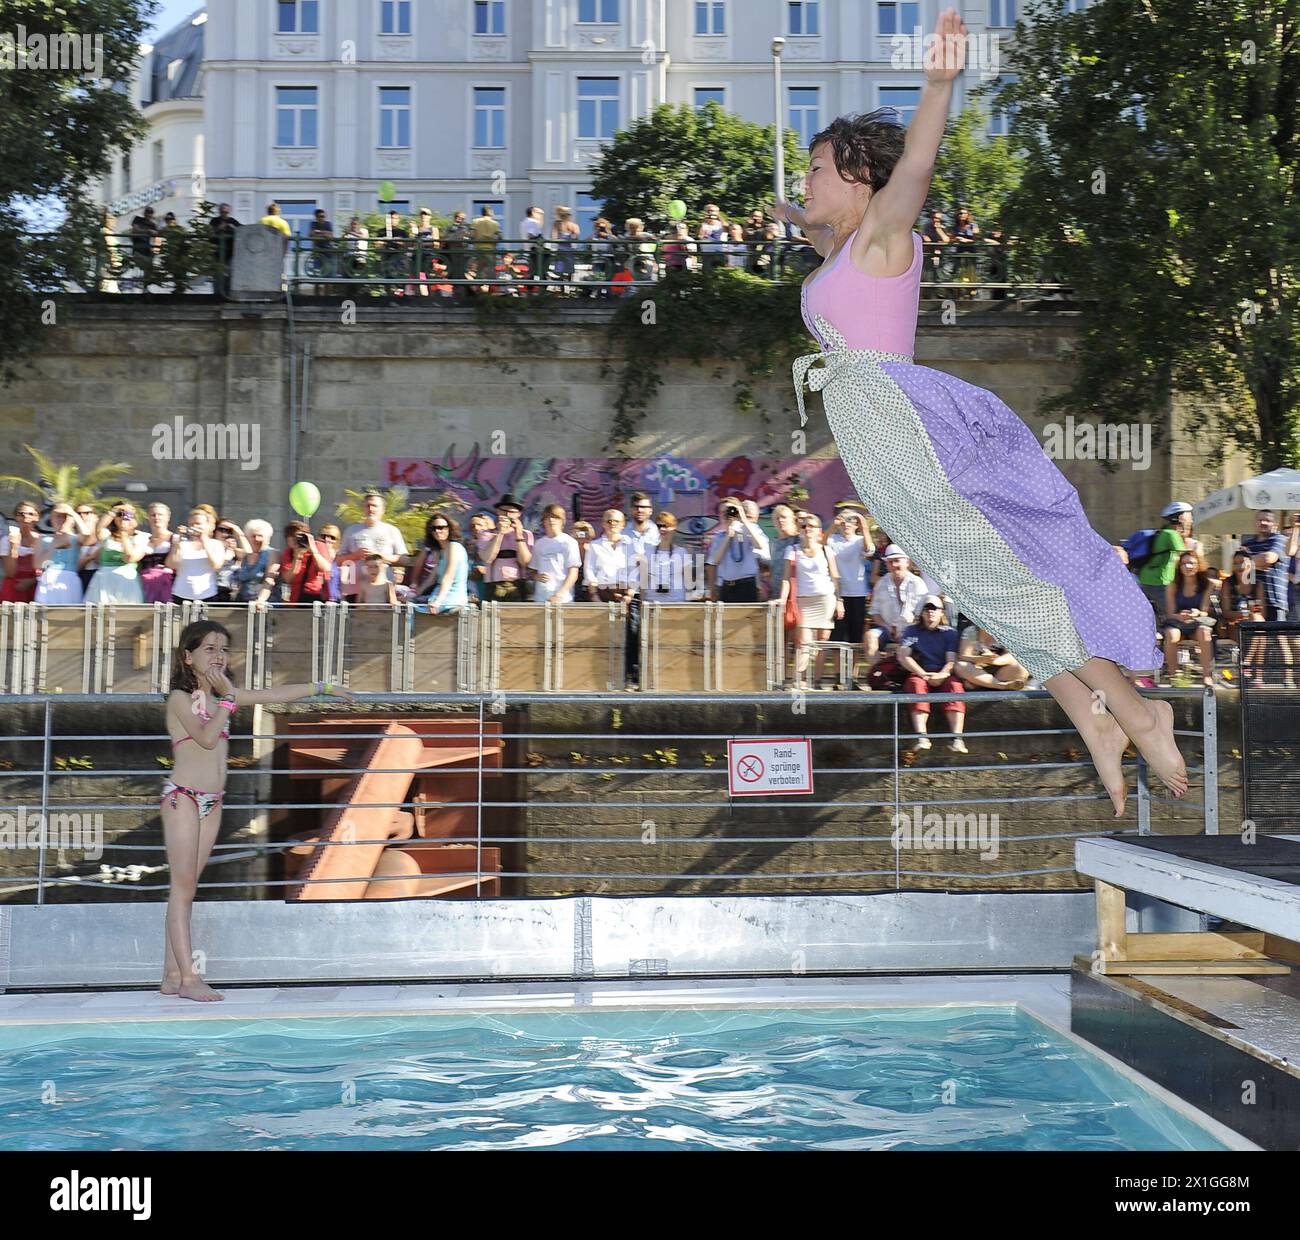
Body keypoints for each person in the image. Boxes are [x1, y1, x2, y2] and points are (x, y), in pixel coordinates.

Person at [780, 8, 1186, 814]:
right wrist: (798, 219)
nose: (807, 179)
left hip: (906, 428)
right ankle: (1090, 714)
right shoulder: (841, 250)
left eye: (818, 168)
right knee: (984, 586)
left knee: (1007, 575)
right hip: (877, 445)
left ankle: (1139, 711)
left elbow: (916, 173)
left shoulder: (883, 236)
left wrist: (939, 84)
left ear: (860, 179)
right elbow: (826, 252)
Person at [159, 620, 351, 1000]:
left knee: (188, 887)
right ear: (188, 656)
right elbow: (207, 738)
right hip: (184, 797)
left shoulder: (220, 698)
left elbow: (275, 692)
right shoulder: (181, 700)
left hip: (213, 802)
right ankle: (188, 980)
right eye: (209, 648)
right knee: (182, 889)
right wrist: (229, 699)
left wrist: (323, 687)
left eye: (223, 649)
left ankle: (170, 974)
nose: (218, 655)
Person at [779, 511, 842, 690]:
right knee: (803, 641)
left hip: (825, 598)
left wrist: (839, 600)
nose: (808, 529)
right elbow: (786, 578)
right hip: (804, 600)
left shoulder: (826, 549)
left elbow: (835, 577)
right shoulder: (792, 550)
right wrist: (783, 599)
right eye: (804, 526)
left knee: (822, 641)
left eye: (811, 526)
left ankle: (817, 680)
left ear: (818, 530)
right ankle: (800, 679)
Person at [898, 596, 967, 752]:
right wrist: (922, 674)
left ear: (942, 612)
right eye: (927, 608)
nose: (931, 612)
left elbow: (951, 660)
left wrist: (942, 674)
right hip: (920, 672)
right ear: (921, 612)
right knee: (915, 685)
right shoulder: (911, 631)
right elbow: (904, 655)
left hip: (943, 673)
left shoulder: (950, 633)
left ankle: (957, 739)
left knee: (955, 687)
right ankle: (922, 737)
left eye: (935, 608)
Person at [338, 493, 408, 601]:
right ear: (363, 508)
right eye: (368, 506)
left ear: (383, 509)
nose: (371, 509)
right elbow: (338, 561)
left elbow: (404, 559)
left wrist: (379, 556)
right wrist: (356, 555)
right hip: (354, 589)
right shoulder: (351, 530)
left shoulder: (392, 530)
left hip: (382, 590)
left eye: (375, 506)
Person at [1162, 551, 1216, 687]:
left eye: (1191, 563)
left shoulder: (1207, 585)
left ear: (1198, 565)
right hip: (1177, 622)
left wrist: (1196, 613)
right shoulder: (1173, 586)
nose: (1187, 566)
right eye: (1184, 563)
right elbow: (1170, 614)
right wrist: (1180, 616)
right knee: (1171, 634)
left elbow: (1204, 611)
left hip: (1197, 622)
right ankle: (1174, 676)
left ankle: (1207, 676)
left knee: (1204, 632)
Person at [707, 496, 770, 602]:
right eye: (722, 512)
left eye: (730, 511)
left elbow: (760, 545)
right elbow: (715, 561)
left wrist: (744, 520)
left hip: (747, 585)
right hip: (726, 586)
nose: (727, 515)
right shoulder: (719, 537)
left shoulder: (749, 530)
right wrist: (728, 537)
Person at [1135, 502, 1191, 621]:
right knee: (1169, 615)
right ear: (1179, 517)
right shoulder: (1172, 535)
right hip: (1160, 580)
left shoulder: (1164, 531)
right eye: (1188, 515)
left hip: (1147, 577)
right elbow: (1187, 556)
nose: (1191, 519)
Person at [82, 504, 148, 603]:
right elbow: (98, 529)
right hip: (104, 578)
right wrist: (114, 510)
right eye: (120, 515)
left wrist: (124, 533)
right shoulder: (107, 535)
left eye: (128, 516)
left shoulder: (140, 538)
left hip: (126, 578)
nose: (123, 518)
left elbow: (130, 557)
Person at [827, 507, 871, 647]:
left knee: (855, 638)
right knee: (837, 637)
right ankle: (838, 669)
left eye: (850, 520)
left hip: (857, 593)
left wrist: (863, 525)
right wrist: (833, 526)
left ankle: (853, 670)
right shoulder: (832, 540)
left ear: (856, 524)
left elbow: (869, 549)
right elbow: (821, 544)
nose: (846, 523)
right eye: (843, 520)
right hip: (838, 593)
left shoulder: (859, 540)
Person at [478, 493, 533, 601]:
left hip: (517, 583)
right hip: (494, 584)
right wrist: (500, 534)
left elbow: (525, 562)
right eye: (504, 511)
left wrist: (519, 535)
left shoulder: (526, 535)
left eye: (512, 512)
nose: (508, 514)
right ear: (498, 512)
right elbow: (487, 558)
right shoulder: (486, 534)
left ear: (518, 514)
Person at [33, 504, 91, 604]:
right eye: (58, 516)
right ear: (51, 518)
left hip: (69, 582)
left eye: (65, 516)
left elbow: (86, 533)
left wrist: (72, 513)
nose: (61, 519)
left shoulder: (75, 539)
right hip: (48, 580)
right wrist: (53, 546)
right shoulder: (43, 539)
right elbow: (37, 565)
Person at [411, 514, 470, 613]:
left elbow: (448, 577)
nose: (437, 531)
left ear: (449, 529)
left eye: (441, 527)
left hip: (452, 601)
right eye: (433, 528)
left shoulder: (454, 547)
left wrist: (438, 601)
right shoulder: (439, 552)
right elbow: (432, 579)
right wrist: (413, 596)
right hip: (437, 599)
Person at [166, 508, 225, 604]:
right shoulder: (183, 544)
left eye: (198, 523)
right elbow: (170, 564)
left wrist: (204, 541)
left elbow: (216, 565)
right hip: (181, 594)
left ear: (207, 525)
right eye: (191, 524)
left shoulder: (216, 544)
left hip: (206, 595)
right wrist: (177, 543)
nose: (194, 527)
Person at [953, 624, 1030, 690]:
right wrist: (981, 659)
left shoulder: (1005, 632)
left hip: (998, 669)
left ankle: (982, 683)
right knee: (960, 666)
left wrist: (994, 660)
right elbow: (963, 656)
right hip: (976, 668)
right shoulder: (972, 632)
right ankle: (1001, 686)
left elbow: (1012, 655)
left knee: (1021, 668)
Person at [530, 505, 582, 604]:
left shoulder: (569, 542)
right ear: (543, 522)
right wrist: (536, 576)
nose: (551, 520)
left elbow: (573, 573)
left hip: (563, 599)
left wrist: (559, 595)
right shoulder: (539, 543)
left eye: (556, 517)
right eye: (547, 517)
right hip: (541, 597)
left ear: (562, 521)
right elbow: (533, 569)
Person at [643, 511, 692, 602]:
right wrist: (641, 603)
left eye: (666, 526)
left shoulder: (681, 552)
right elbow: (644, 581)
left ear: (674, 527)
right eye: (659, 526)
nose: (662, 529)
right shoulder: (648, 552)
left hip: (676, 601)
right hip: (652, 600)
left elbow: (688, 581)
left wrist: (687, 602)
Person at [1, 501, 45, 602]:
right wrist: (14, 547)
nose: (26, 516)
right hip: (14, 587)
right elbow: (10, 573)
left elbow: (46, 569)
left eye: (31, 514)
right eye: (21, 514)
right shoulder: (7, 540)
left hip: (36, 587)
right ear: (16, 517)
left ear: (37, 518)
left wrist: (31, 581)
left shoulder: (43, 540)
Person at [138, 502, 175, 602]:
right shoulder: (143, 538)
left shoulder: (175, 539)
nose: (156, 517)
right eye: (153, 515)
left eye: (160, 514)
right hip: (144, 584)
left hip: (167, 584)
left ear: (168, 517)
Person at [210, 204, 241, 296]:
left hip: (230, 253)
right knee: (217, 274)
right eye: (223, 212)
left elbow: (243, 230)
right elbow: (209, 233)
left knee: (230, 274)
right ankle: (217, 294)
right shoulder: (214, 221)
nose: (224, 214)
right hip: (217, 252)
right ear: (219, 212)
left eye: (226, 212)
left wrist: (234, 228)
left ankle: (228, 294)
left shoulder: (232, 221)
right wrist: (218, 228)